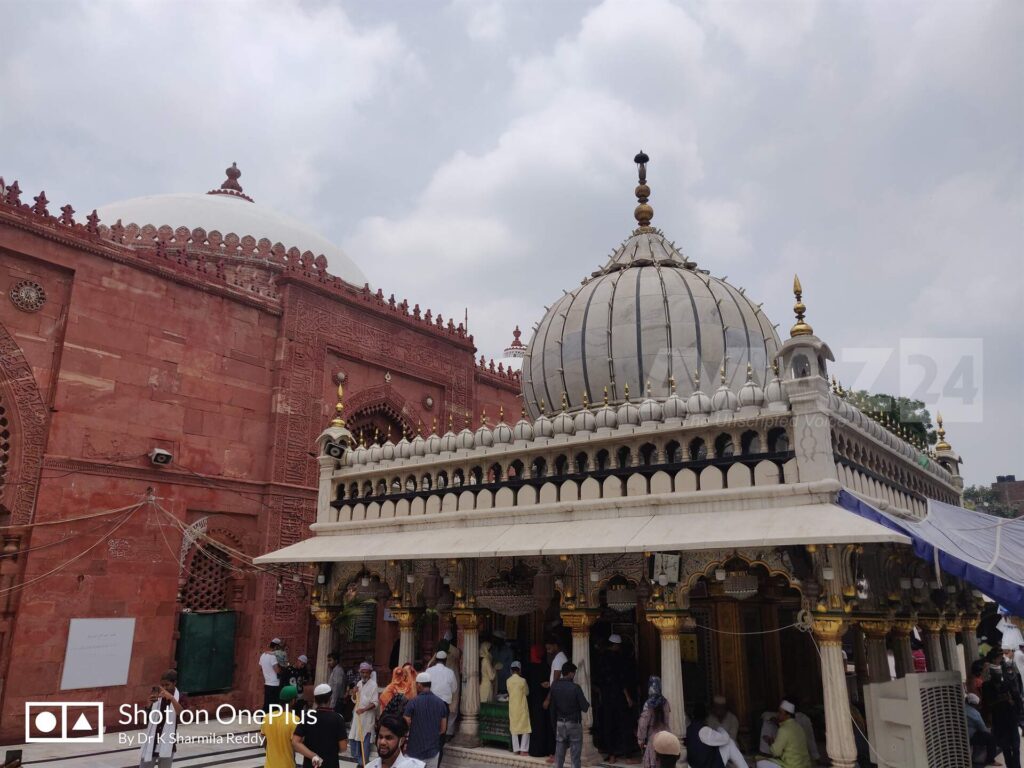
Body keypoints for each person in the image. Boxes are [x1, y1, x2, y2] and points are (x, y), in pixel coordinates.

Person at [597, 633, 637, 762]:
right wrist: (628, 697)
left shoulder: (601, 658)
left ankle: (611, 754)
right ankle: (627, 755)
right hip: (618, 697)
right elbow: (620, 680)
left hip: (606, 697)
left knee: (608, 724)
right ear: (616, 645)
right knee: (623, 724)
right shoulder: (618, 659)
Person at [293, 683, 349, 768]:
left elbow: (295, 742)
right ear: (330, 699)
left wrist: (313, 755)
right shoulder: (338, 719)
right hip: (331, 764)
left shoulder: (307, 717)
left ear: (315, 700)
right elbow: (343, 747)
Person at [138, 670, 185, 768]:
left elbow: (183, 714)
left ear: (174, 683)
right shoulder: (157, 696)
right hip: (152, 740)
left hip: (168, 743)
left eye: (167, 685)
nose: (164, 688)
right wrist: (148, 704)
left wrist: (172, 699)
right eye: (162, 685)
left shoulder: (180, 697)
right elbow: (142, 720)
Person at [261, 685, 317, 768]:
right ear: (293, 701)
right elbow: (297, 745)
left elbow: (265, 742)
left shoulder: (267, 717)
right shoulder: (294, 720)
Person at [549, 661, 590, 768]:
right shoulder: (575, 688)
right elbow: (585, 707)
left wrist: (555, 726)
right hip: (574, 723)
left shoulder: (555, 686)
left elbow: (552, 709)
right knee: (575, 757)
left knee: (559, 756)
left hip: (560, 723)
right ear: (571, 673)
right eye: (574, 673)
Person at [403, 673, 448, 768]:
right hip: (433, 752)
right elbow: (443, 729)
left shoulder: (413, 702)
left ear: (419, 685)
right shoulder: (441, 703)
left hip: (413, 752)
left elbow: (405, 724)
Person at [686, 700, 748, 768]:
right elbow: (726, 739)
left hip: (697, 763)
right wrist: (720, 729)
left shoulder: (689, 728)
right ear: (706, 715)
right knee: (729, 743)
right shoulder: (703, 730)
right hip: (706, 765)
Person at [758, 697, 819, 763]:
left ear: (788, 715)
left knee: (760, 762)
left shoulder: (783, 729)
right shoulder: (798, 726)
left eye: (780, 713)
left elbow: (776, 753)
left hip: (792, 765)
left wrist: (769, 741)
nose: (777, 715)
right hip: (804, 764)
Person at [983, 662, 1021, 768]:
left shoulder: (1007, 684)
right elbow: (988, 703)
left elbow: (1016, 699)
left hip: (1012, 719)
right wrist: (1004, 699)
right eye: (996, 674)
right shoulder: (987, 686)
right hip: (999, 721)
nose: (998, 676)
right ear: (991, 675)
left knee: (1016, 746)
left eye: (999, 673)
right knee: (1006, 748)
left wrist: (1018, 715)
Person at [349, 662, 379, 768]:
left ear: (370, 673)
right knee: (355, 738)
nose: (364, 675)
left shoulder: (373, 685)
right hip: (357, 716)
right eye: (362, 672)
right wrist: (353, 693)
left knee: (365, 739)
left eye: (366, 672)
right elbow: (354, 700)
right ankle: (359, 761)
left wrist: (364, 710)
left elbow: (375, 703)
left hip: (367, 717)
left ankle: (363, 763)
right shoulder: (359, 684)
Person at [637, 676, 671, 768]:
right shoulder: (666, 702)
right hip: (666, 736)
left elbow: (643, 723)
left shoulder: (648, 704)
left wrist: (641, 739)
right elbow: (668, 720)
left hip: (653, 738)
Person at [527, 643, 553, 757]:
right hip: (538, 700)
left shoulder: (535, 667)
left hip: (539, 701)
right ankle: (541, 749)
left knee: (539, 724)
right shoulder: (543, 666)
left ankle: (539, 750)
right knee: (539, 724)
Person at [964, 693, 998, 766]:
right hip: (969, 737)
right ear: (975, 704)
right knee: (990, 738)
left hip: (956, 736)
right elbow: (983, 729)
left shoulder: (958, 708)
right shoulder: (975, 714)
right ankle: (990, 760)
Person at [507, 660, 531, 755]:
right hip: (522, 708)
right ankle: (523, 750)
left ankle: (516, 749)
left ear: (511, 670)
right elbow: (527, 692)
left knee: (514, 728)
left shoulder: (508, 681)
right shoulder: (522, 681)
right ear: (520, 670)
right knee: (526, 728)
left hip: (513, 708)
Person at [261, 638, 284, 711]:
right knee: (274, 706)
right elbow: (277, 670)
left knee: (267, 704)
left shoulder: (263, 655)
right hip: (275, 684)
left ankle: (264, 721)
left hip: (267, 683)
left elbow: (261, 668)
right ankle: (272, 721)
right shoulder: (273, 656)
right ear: (276, 647)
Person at [492, 630, 514, 696]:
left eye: (496, 639)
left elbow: (511, 667)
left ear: (500, 639)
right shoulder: (493, 650)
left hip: (505, 681)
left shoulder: (509, 651)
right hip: (495, 681)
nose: (494, 641)